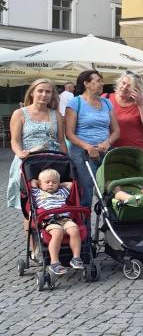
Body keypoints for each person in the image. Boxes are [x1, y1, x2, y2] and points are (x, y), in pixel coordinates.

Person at [8, 79, 66, 210]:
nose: (44, 95)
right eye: (40, 91)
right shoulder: (19, 113)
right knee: (29, 208)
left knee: (54, 203)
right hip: (28, 162)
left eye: (48, 92)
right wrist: (20, 153)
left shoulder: (56, 115)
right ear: (32, 93)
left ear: (52, 95)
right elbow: (15, 141)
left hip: (51, 162)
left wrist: (65, 160)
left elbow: (61, 141)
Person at [65, 70, 120, 208]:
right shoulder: (75, 102)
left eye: (102, 81)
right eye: (98, 81)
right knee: (86, 190)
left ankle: (109, 220)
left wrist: (108, 142)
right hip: (82, 153)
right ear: (86, 83)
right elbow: (69, 134)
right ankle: (85, 221)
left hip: (104, 150)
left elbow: (116, 131)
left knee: (111, 187)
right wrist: (88, 147)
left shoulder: (107, 103)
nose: (102, 84)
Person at [31, 169, 83, 275]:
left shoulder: (61, 192)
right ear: (40, 184)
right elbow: (32, 182)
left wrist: (58, 185)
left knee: (75, 229)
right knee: (57, 232)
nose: (51, 184)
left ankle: (76, 258)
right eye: (47, 182)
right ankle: (54, 262)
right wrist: (40, 183)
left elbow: (70, 184)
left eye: (54, 182)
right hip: (49, 220)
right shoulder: (38, 193)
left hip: (64, 218)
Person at [106, 71, 143, 150]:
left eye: (129, 86)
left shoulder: (140, 103)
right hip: (109, 150)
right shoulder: (106, 98)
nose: (124, 87)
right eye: (123, 83)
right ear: (119, 83)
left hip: (134, 151)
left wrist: (141, 104)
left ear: (136, 90)